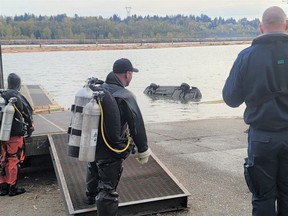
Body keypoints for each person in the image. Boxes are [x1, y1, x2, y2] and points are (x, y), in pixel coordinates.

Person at [222, 6, 288, 216]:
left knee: (263, 197)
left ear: (261, 27)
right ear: (286, 25)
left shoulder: (246, 56)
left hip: (262, 139)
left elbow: (231, 99)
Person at [85, 58, 151, 216]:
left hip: (93, 144)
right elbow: (137, 125)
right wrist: (143, 150)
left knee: (93, 168)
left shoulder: (98, 90)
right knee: (108, 189)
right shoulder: (125, 95)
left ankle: (90, 197)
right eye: (131, 73)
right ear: (127, 74)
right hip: (111, 148)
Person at [0, 73, 34, 196]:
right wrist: (30, 129)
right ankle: (12, 187)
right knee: (13, 158)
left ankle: (2, 186)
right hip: (14, 134)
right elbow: (28, 114)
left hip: (1, 134)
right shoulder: (17, 97)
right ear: (18, 84)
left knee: (3, 158)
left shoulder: (2, 95)